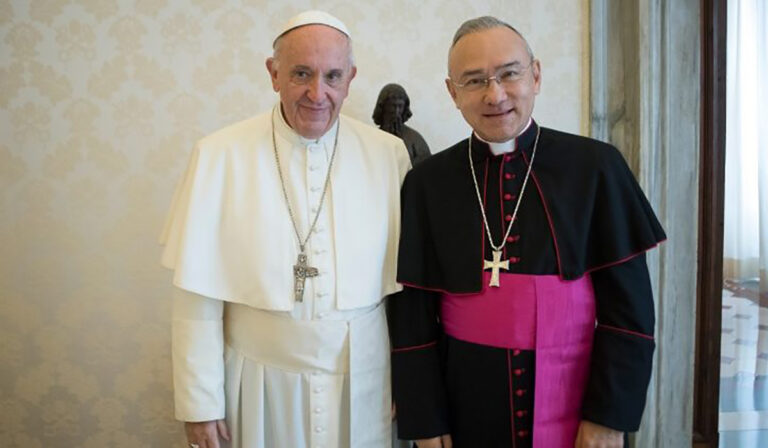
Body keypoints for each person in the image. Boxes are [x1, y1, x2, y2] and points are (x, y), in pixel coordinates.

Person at [387, 16, 666, 448]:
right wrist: (425, 419)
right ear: (452, 92)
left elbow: (629, 316)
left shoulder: (596, 167)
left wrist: (609, 418)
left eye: (509, 73)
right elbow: (413, 317)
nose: (495, 94)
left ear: (535, 76)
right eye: (474, 80)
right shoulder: (428, 183)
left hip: (576, 404)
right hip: (466, 404)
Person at [160, 10, 411, 448]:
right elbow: (196, 297)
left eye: (333, 76)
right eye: (301, 74)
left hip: (366, 383)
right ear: (273, 74)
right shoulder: (218, 155)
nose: (318, 93)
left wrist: (410, 382)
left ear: (351, 78)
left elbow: (407, 292)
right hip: (258, 382)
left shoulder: (389, 156)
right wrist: (201, 404)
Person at [373, 83, 432, 165]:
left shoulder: (415, 139)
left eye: (400, 106)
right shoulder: (371, 138)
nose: (396, 112)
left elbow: (425, 169)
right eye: (392, 106)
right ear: (383, 106)